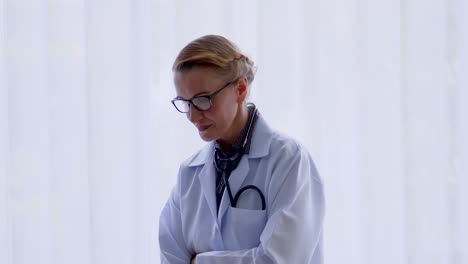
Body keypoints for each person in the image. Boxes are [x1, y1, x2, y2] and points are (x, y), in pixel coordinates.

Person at [159, 35, 325, 264]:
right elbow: (171, 258)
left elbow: (279, 260)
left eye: (203, 99)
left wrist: (201, 261)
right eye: (185, 102)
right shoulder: (189, 173)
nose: (192, 116)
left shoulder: (288, 160)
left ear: (240, 89)